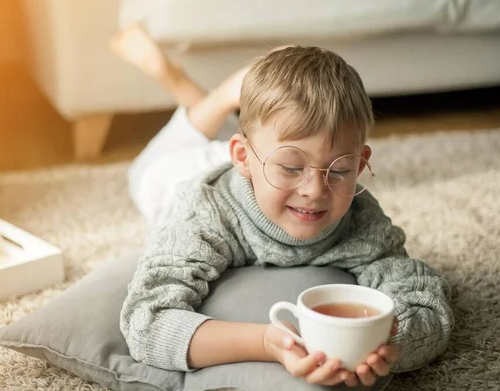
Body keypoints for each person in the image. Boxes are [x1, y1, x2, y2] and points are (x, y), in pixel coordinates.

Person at [110, 24, 454, 388]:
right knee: (163, 160)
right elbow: (146, 324)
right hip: (172, 175)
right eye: (293, 168)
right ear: (242, 158)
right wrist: (266, 342)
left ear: (361, 160)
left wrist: (378, 341)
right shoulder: (204, 213)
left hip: (257, 156)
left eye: (339, 170)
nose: (315, 191)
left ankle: (239, 105)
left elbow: (428, 309)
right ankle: (187, 80)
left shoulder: (362, 223)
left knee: (261, 133)